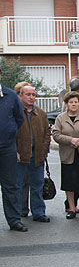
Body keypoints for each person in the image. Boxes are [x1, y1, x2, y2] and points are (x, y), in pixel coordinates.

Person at [52, 91, 79, 219]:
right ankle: (71, 207)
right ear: (66, 104)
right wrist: (71, 140)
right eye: (71, 102)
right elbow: (56, 134)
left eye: (76, 102)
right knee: (69, 183)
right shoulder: (60, 118)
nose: (74, 104)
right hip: (68, 154)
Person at [14, 82, 51, 223]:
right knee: (18, 185)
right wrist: (14, 151)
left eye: (33, 95)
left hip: (37, 155)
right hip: (20, 156)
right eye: (28, 94)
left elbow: (47, 132)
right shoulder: (15, 112)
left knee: (37, 184)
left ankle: (39, 212)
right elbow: (10, 133)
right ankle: (19, 213)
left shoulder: (41, 114)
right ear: (20, 96)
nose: (31, 97)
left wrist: (44, 149)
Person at [0, 68, 25, 231]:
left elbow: (19, 118)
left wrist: (9, 132)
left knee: (10, 185)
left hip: (7, 147)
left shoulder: (10, 95)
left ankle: (14, 220)